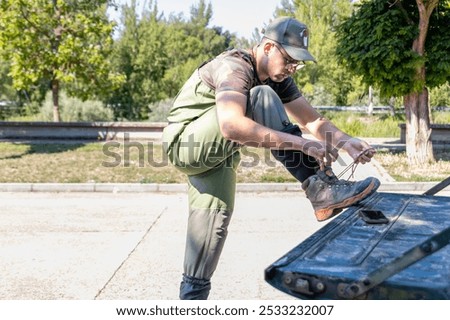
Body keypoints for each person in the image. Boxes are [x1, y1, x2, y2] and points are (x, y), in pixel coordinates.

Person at [162, 16, 380, 300]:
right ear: (267, 48)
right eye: (289, 59)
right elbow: (231, 126)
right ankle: (318, 188)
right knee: (261, 96)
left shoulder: (281, 79)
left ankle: (191, 301)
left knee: (211, 229)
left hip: (219, 156)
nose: (292, 68)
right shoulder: (235, 67)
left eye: (297, 63)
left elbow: (312, 121)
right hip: (186, 143)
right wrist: (301, 144)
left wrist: (345, 140)